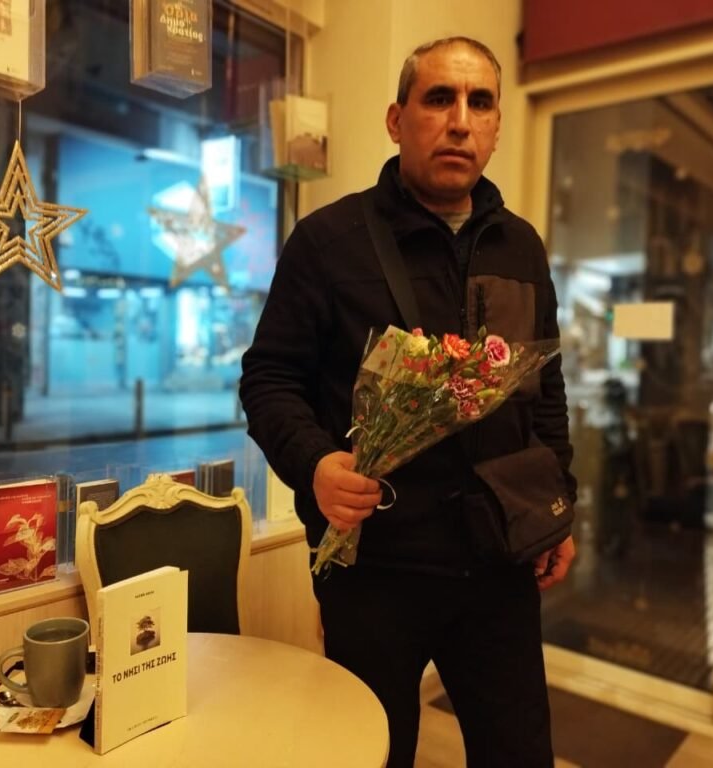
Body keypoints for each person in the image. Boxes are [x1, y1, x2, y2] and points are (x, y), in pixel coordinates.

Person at [240, 37, 576, 767]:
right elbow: (268, 379)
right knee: (371, 755)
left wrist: (558, 507)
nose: (460, 121)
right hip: (375, 571)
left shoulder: (522, 247)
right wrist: (316, 464)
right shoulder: (328, 241)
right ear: (397, 120)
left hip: (500, 561)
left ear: (495, 127)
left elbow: (543, 390)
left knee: (520, 755)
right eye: (439, 99)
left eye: (479, 103)